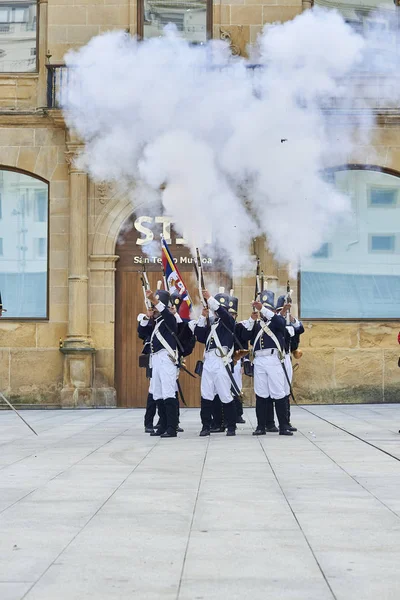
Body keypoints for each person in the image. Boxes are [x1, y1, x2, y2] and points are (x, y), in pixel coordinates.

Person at [246, 290, 294, 436]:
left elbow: (280, 322)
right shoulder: (256, 323)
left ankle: (284, 426)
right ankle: (261, 426)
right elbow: (245, 336)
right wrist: (251, 320)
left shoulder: (277, 321)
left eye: (267, 308)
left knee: (278, 393)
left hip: (273, 359)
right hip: (259, 360)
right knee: (261, 394)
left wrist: (263, 309)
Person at [194, 289, 237, 437]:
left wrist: (210, 299)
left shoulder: (229, 322)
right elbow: (199, 336)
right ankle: (206, 426)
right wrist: (203, 317)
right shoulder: (211, 325)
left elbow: (224, 314)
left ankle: (231, 426)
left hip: (221, 360)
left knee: (225, 395)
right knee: (206, 395)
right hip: (209, 361)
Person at [137, 289, 179, 438]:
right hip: (156, 359)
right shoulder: (155, 323)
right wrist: (148, 316)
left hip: (166, 359)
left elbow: (167, 314)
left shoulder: (169, 319)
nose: (154, 309)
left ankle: (172, 427)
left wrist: (155, 301)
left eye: (155, 307)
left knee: (168, 393)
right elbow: (141, 332)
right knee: (158, 394)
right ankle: (162, 425)